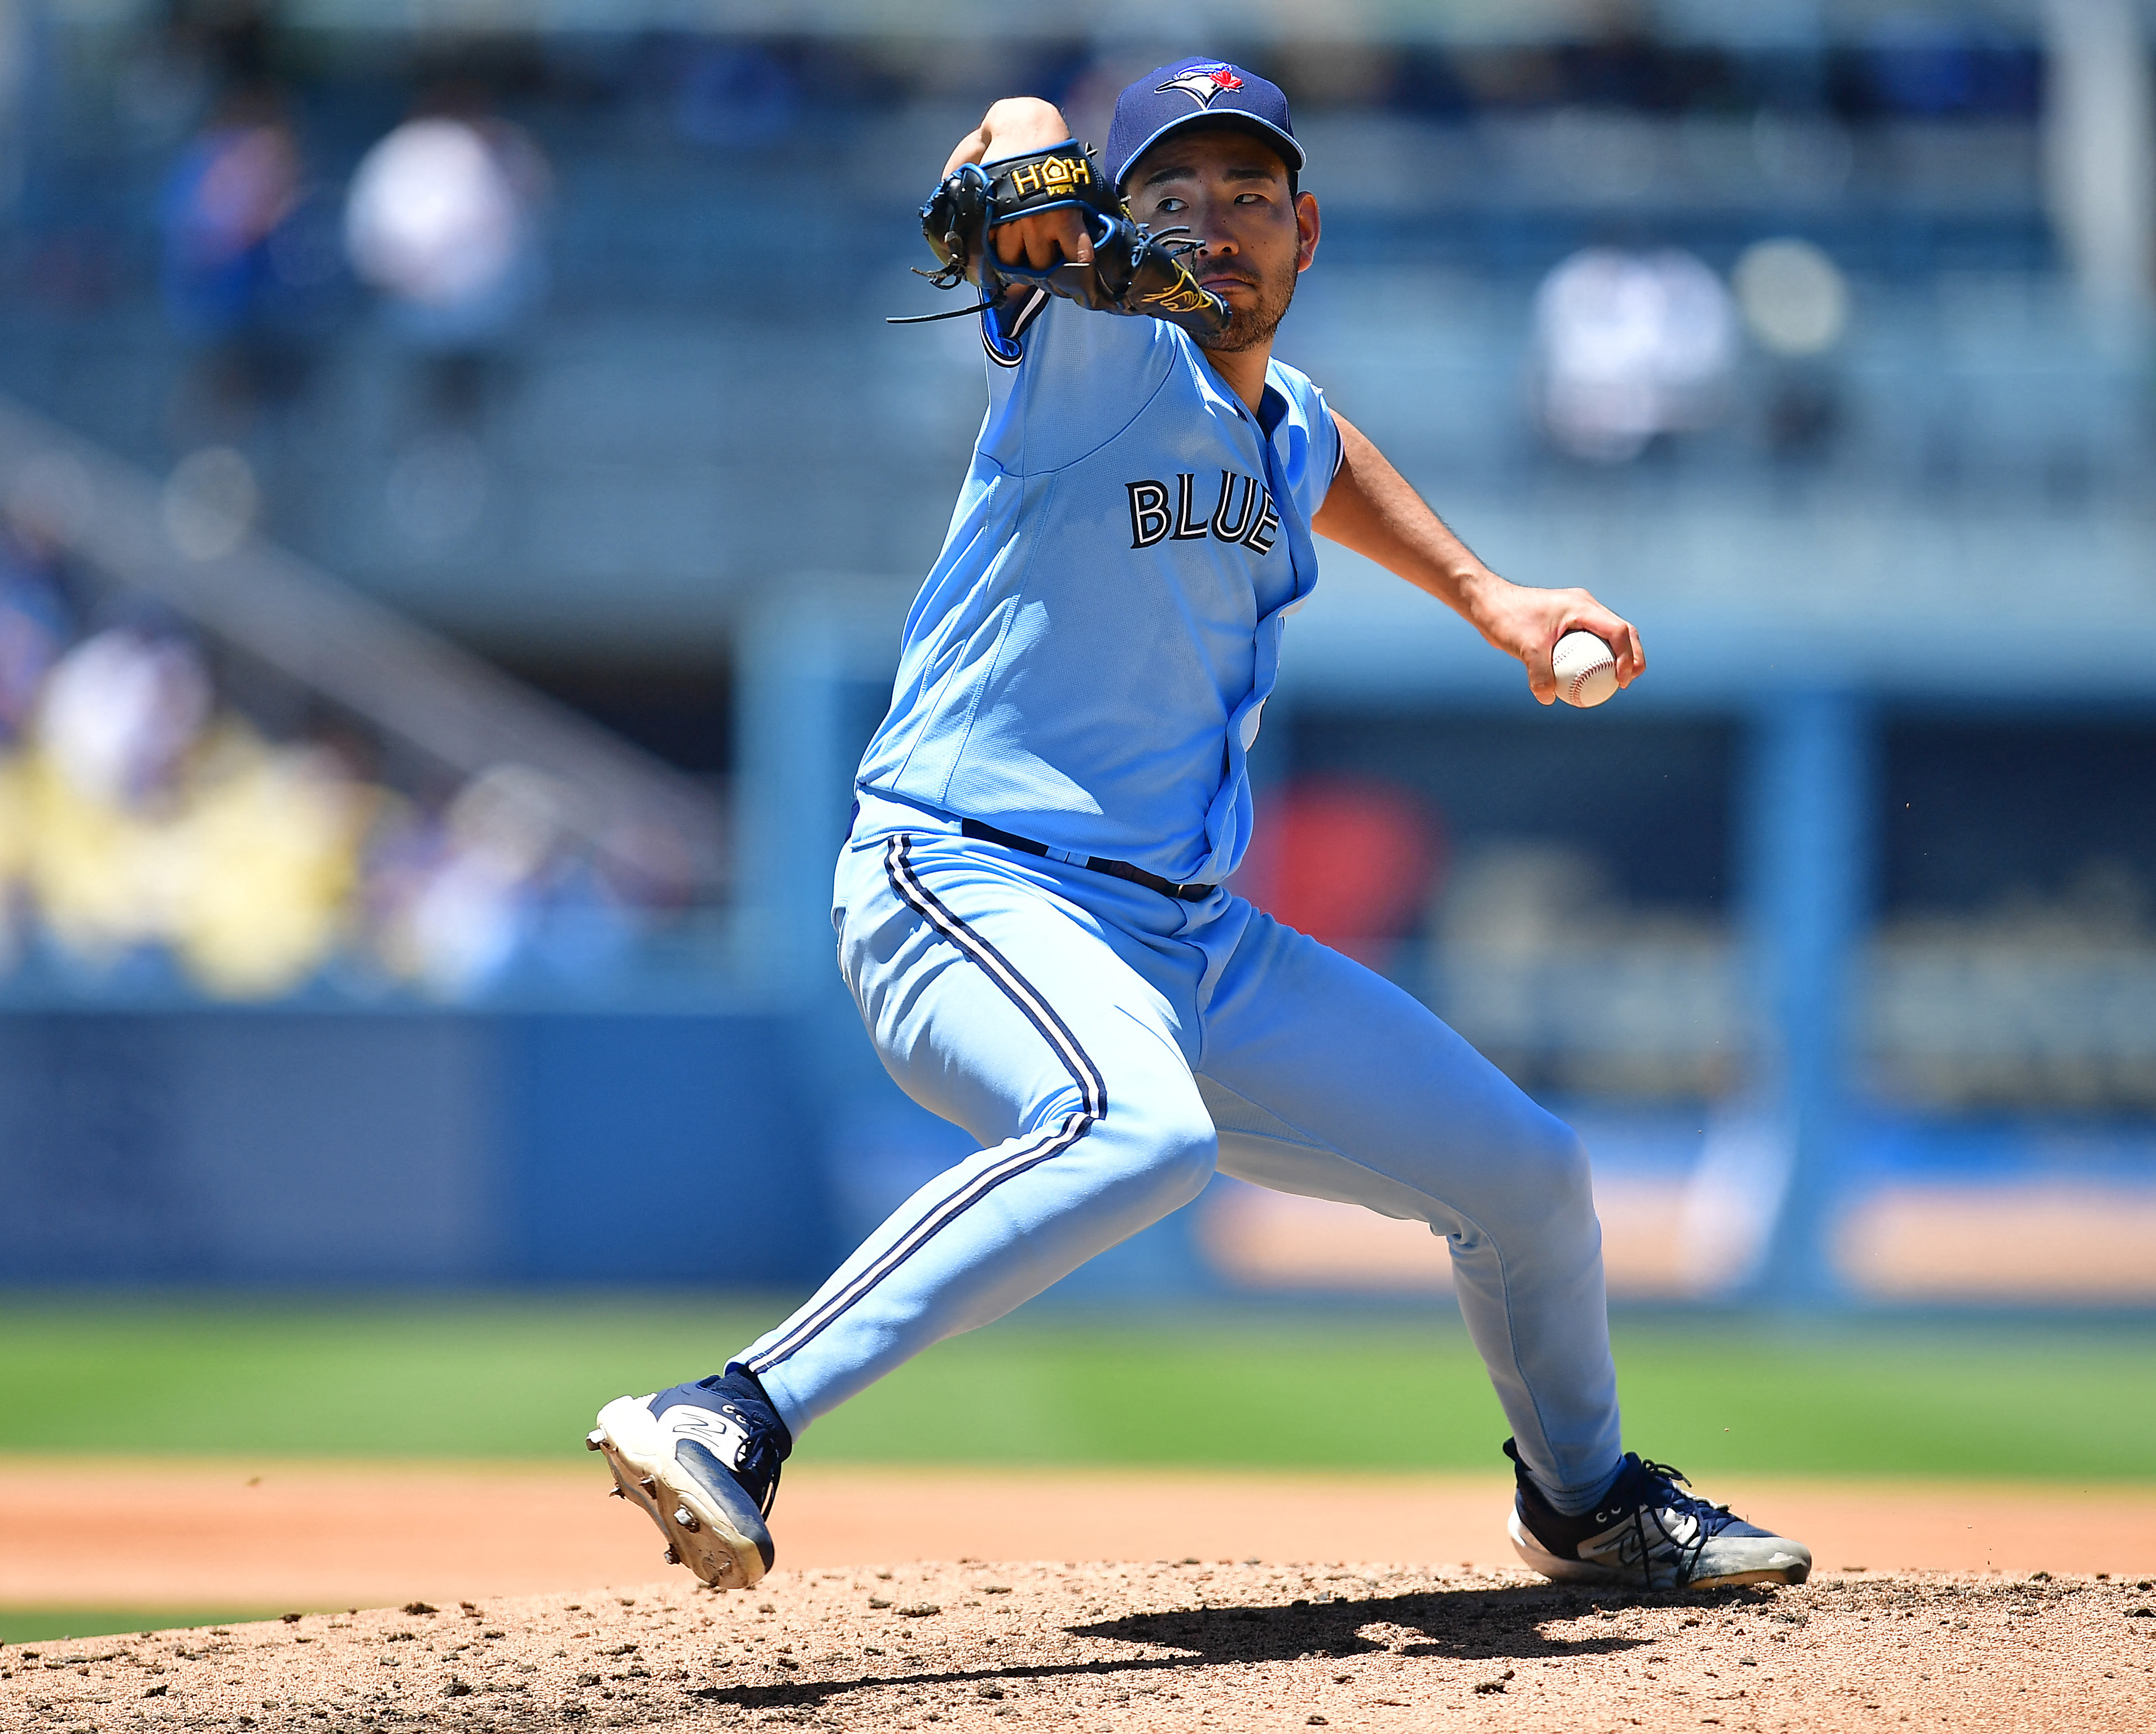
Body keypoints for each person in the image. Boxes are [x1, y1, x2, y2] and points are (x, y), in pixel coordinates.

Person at [588, 58, 1811, 1596]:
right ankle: (732, 1409)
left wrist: (1492, 597)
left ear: (1308, 232)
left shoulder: (1276, 417)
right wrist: (1036, 153)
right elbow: (1022, 147)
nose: (1214, 225)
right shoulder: (1094, 353)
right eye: (1172, 194)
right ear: (1122, 215)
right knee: (1136, 1132)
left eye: (1247, 198)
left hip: (1185, 938)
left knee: (1526, 1175)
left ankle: (1580, 1500)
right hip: (966, 881)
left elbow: (1319, 447)